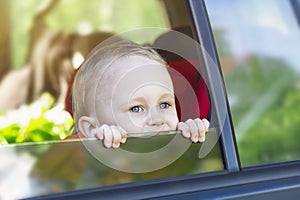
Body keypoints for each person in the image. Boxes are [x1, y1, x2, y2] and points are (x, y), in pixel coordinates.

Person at [70, 40, 209, 148]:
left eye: (164, 104)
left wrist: (193, 136)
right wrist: (99, 148)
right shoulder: (86, 169)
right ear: (91, 128)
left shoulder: (176, 143)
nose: (157, 119)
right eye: (136, 108)